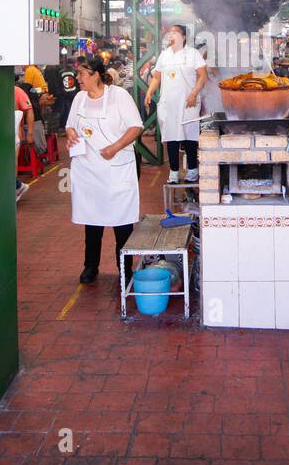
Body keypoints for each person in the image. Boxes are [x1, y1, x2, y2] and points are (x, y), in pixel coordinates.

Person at [66, 56, 143, 285]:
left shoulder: (118, 96)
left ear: (95, 74)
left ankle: (125, 269)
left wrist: (115, 147)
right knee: (92, 221)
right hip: (88, 169)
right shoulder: (79, 98)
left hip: (116, 167)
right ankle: (91, 266)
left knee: (122, 223)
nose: (77, 78)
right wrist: (70, 136)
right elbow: (71, 125)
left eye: (81, 73)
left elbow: (136, 126)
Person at [143, 25, 208, 184]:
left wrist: (193, 93)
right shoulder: (164, 55)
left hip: (189, 103)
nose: (171, 34)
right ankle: (173, 173)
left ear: (184, 37)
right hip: (168, 104)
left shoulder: (193, 54)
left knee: (190, 136)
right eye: (170, 32)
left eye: (175, 32)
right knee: (171, 137)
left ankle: (192, 172)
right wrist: (149, 91)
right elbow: (157, 77)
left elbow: (202, 76)